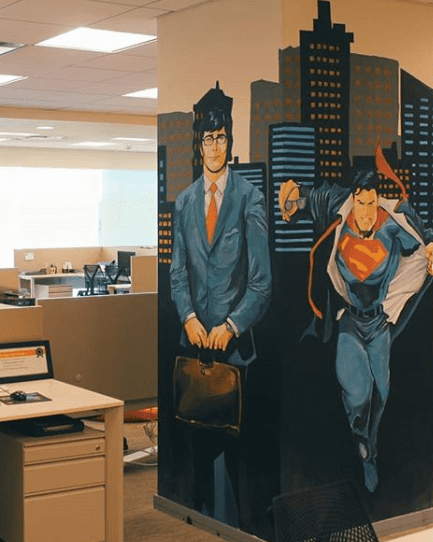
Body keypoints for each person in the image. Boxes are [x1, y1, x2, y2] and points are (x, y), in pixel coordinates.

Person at [279, 169, 433, 493]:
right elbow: (313, 199)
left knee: (381, 393)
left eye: (371, 204)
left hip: (380, 323)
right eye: (361, 203)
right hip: (349, 321)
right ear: (354, 200)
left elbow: (420, 235)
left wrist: (431, 247)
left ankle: (369, 445)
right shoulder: (340, 210)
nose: (366, 212)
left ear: (378, 202)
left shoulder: (391, 225)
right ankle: (360, 445)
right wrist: (294, 197)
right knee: (357, 392)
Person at [170, 97, 272, 524]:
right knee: (197, 453)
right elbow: (178, 274)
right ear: (200, 145)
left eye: (221, 138)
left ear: (230, 143)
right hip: (195, 346)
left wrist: (231, 325)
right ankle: (202, 523)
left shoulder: (250, 198)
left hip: (235, 351)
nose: (215, 146)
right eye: (208, 138)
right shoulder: (184, 202)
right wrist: (189, 317)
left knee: (235, 457)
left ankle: (234, 528)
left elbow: (262, 283)